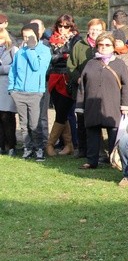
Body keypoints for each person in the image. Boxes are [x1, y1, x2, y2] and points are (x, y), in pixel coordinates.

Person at [75, 32, 128, 170]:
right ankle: (91, 161)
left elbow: (126, 85)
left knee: (114, 133)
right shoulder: (90, 63)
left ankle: (114, 160)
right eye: (101, 45)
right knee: (92, 133)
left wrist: (125, 105)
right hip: (92, 105)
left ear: (113, 46)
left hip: (112, 105)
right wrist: (80, 105)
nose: (104, 47)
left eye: (107, 45)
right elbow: (82, 86)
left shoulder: (119, 64)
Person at [8, 25, 51, 161]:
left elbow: (37, 67)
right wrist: (12, 88)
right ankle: (28, 147)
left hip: (35, 93)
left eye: (30, 36)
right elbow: (13, 70)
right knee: (23, 123)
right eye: (24, 37)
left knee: (35, 124)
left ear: (36, 35)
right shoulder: (20, 52)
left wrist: (31, 50)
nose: (26, 39)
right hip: (19, 92)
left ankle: (39, 148)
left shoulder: (44, 51)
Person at [68, 18, 106, 158]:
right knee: (81, 118)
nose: (94, 32)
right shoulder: (79, 45)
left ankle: (99, 150)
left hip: (98, 89)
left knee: (97, 120)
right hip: (82, 88)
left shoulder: (105, 44)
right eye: (92, 29)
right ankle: (82, 149)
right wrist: (78, 78)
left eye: (98, 29)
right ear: (88, 29)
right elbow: (71, 65)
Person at [45, 15, 79, 156]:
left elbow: (73, 58)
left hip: (67, 78)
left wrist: (61, 56)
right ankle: (69, 145)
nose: (62, 29)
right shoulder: (51, 39)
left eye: (66, 26)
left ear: (71, 26)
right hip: (54, 76)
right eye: (60, 25)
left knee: (62, 112)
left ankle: (50, 145)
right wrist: (61, 56)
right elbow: (50, 58)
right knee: (60, 111)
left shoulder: (76, 39)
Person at [0, 28, 17, 155]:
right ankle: (1, 146)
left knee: (7, 117)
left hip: (7, 86)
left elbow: (16, 67)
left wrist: (2, 69)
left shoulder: (12, 49)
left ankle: (11, 145)